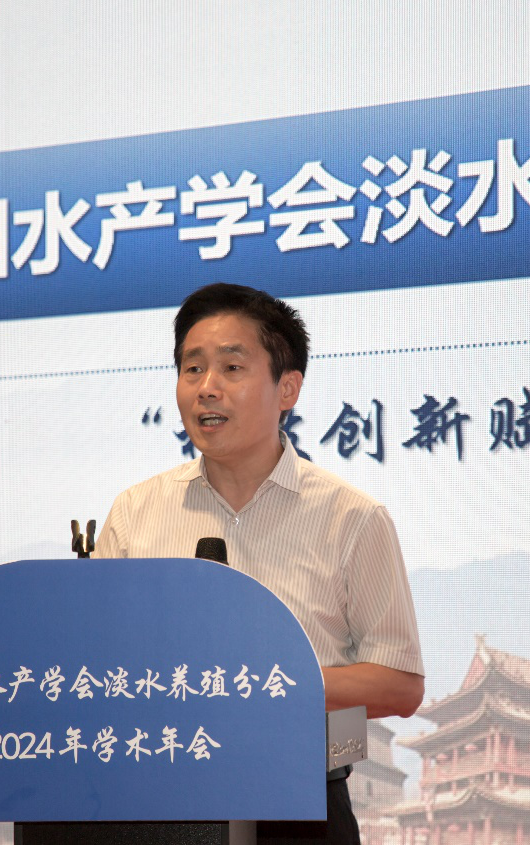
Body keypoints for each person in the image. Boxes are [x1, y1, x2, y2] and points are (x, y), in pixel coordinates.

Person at [94, 282, 424, 843]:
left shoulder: (350, 517)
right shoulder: (136, 512)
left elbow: (399, 684)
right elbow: (96, 665)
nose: (207, 387)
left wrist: (256, 684)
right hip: (158, 798)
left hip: (301, 808)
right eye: (192, 369)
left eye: (231, 367)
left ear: (287, 388)